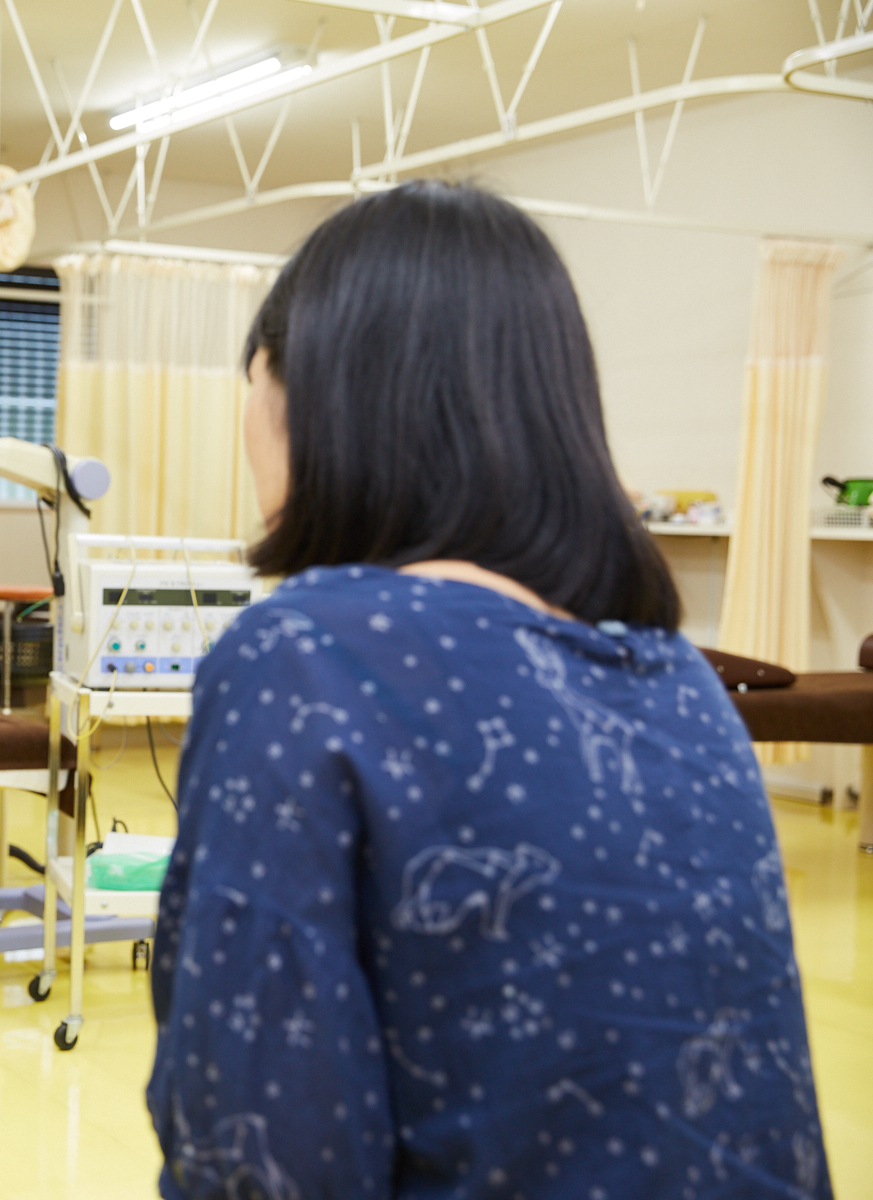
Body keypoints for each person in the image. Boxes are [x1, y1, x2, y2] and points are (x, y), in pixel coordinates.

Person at [147, 182, 831, 1200]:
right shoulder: (681, 680)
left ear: (310, 396)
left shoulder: (307, 656)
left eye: (252, 379)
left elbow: (260, 1148)